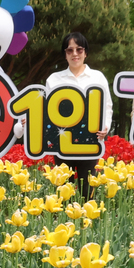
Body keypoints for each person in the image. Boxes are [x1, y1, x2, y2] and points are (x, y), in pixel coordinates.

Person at [46, 33, 112, 197]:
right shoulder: (54, 79)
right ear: (65, 54)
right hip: (63, 143)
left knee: (88, 192)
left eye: (79, 49)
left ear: (86, 52)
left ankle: (87, 222)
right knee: (63, 193)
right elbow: (45, 110)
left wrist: (105, 127)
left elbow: (107, 106)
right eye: (70, 50)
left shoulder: (98, 77)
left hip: (89, 143)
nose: (75, 54)